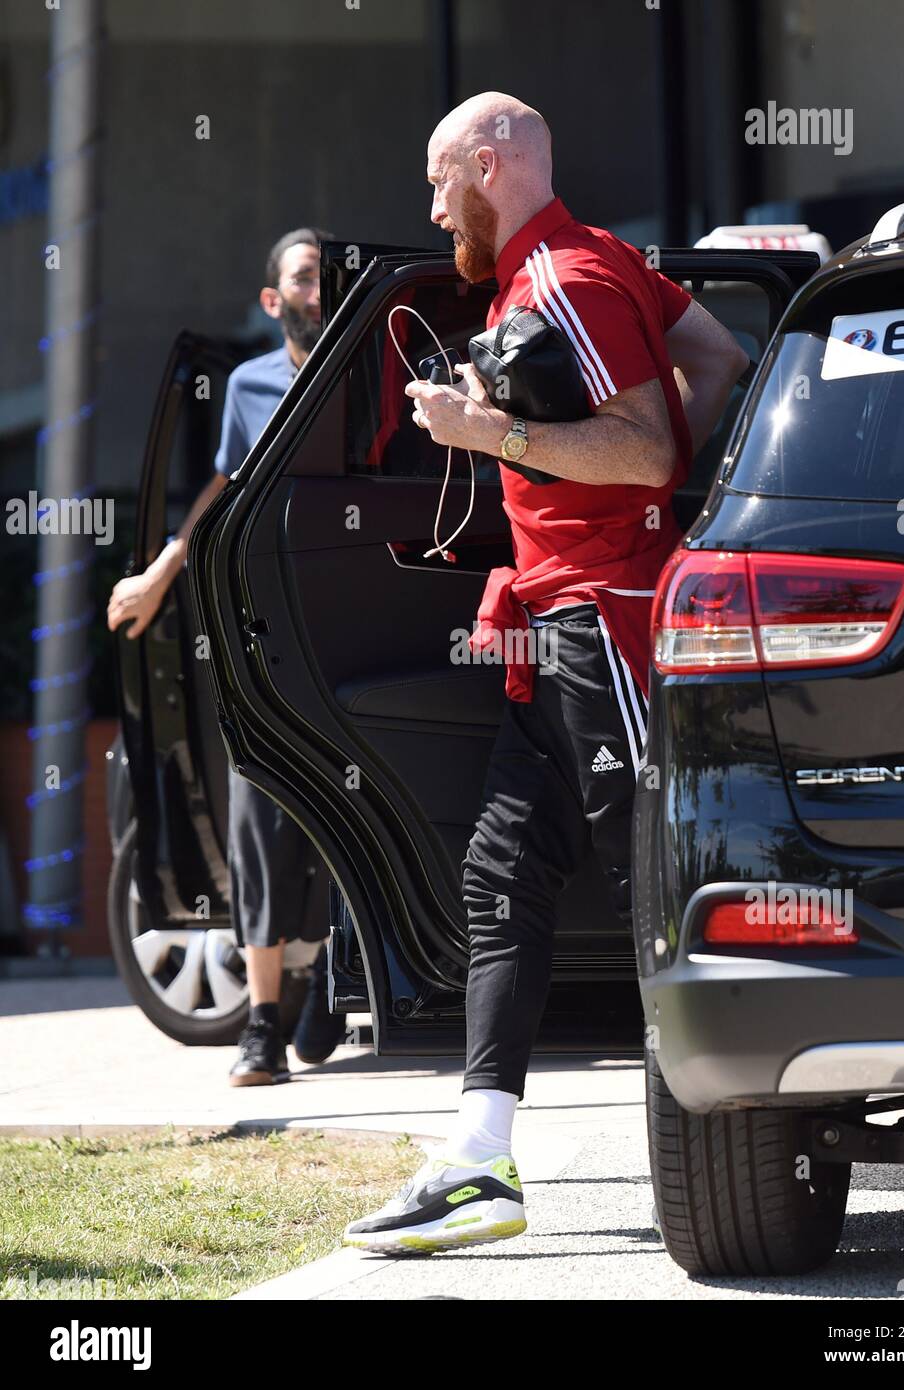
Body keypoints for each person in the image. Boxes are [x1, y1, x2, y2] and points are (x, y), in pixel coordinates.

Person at [343, 93, 748, 1254]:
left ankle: (729, 1141)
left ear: (488, 161)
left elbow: (646, 445)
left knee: (651, 876)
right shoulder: (593, 256)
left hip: (601, 619)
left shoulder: (561, 279)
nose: (432, 206)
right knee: (499, 871)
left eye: (438, 180)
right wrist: (671, 513)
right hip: (561, 611)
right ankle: (479, 1160)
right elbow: (712, 360)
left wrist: (493, 437)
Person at [107, 228, 347, 1085]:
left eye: (326, 276)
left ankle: (333, 983)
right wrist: (162, 571)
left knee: (351, 819)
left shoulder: (363, 379)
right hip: (265, 642)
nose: (317, 292)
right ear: (272, 300)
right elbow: (223, 489)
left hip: (353, 636)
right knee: (257, 819)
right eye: (303, 279)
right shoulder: (247, 385)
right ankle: (264, 1023)